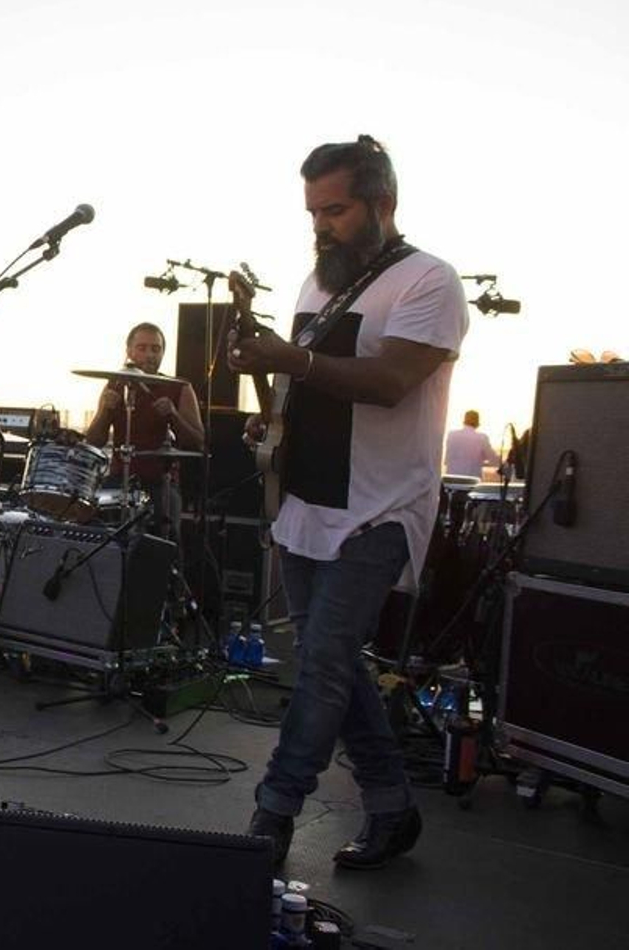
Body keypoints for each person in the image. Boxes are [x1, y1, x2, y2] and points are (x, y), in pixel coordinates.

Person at [228, 135, 468, 871]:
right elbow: (307, 387)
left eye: (334, 210)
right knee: (335, 664)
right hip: (308, 502)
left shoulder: (429, 281)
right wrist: (272, 414)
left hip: (379, 507)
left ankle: (272, 819)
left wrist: (290, 359)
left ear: (381, 204)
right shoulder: (317, 287)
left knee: (325, 664)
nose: (320, 226)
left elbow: (390, 381)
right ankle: (392, 806)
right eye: (313, 213)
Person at [83, 323, 204, 540]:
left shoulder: (179, 387)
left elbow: (198, 442)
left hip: (161, 483)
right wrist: (104, 411)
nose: (149, 355)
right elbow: (93, 442)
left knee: (163, 548)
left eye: (156, 349)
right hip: (118, 481)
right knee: (103, 542)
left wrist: (173, 415)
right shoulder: (115, 384)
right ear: (129, 351)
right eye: (142, 348)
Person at [443, 409, 500, 479]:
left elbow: (447, 459)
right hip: (471, 481)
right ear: (477, 423)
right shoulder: (482, 438)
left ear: (464, 421)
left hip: (451, 480)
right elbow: (493, 459)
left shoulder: (451, 435)